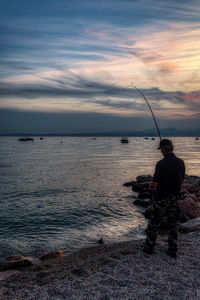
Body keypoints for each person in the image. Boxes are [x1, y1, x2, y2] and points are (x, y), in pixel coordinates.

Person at [143, 139, 185, 257]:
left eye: (161, 150)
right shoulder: (181, 162)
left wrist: (150, 187)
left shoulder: (160, 164)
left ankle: (149, 248)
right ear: (171, 148)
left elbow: (155, 183)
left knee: (154, 223)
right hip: (175, 197)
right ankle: (172, 250)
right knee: (173, 224)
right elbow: (181, 181)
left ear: (163, 150)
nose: (160, 152)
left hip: (161, 197)